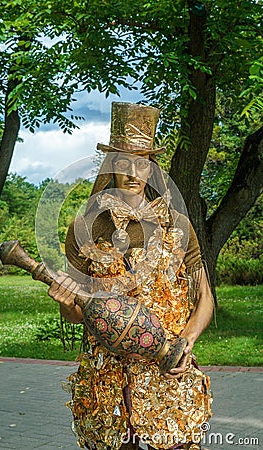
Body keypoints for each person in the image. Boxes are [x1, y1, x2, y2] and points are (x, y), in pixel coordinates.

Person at [48, 102, 214, 450]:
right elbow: (78, 312)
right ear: (110, 166)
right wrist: (66, 305)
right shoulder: (85, 227)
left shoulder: (177, 224)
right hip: (108, 379)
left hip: (168, 370)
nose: (133, 172)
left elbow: (205, 298)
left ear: (152, 167)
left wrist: (185, 343)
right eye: (123, 162)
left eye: (142, 162)